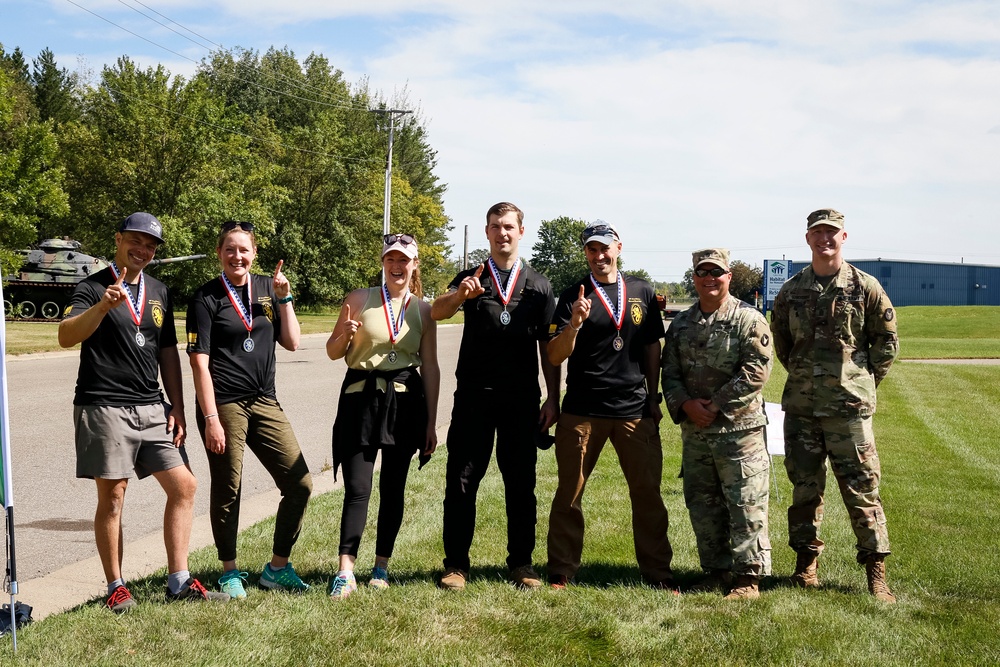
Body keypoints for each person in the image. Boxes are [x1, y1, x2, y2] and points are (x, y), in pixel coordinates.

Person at [58, 212, 229, 612]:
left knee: (184, 486)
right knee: (114, 496)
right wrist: (101, 307)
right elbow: (66, 336)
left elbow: (167, 351)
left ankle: (179, 580)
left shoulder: (159, 291)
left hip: (153, 407)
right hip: (103, 405)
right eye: (136, 240)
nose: (143, 250)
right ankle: (116, 586)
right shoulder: (91, 286)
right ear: (118, 239)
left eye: (150, 246)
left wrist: (179, 408)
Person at [771, 208, 899, 603]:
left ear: (844, 237)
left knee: (862, 490)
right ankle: (805, 566)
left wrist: (862, 382)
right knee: (805, 490)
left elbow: (887, 341)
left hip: (849, 412)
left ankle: (876, 573)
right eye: (817, 233)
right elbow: (783, 344)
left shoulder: (865, 286)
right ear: (807, 238)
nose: (824, 239)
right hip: (803, 410)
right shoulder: (792, 290)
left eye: (832, 232)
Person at [432, 202, 560, 591]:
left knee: (521, 484)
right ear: (486, 233)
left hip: (520, 399)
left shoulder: (539, 286)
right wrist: (459, 297)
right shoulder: (470, 277)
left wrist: (552, 398)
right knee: (461, 482)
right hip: (473, 396)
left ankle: (521, 563)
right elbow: (437, 312)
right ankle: (456, 564)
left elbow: (549, 348)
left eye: (509, 226)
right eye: (495, 227)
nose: (502, 233)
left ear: (521, 232)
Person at [546, 221, 675, 591]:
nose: (599, 256)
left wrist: (653, 397)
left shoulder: (642, 291)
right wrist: (573, 324)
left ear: (618, 248)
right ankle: (561, 570)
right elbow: (555, 355)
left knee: (648, 494)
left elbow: (652, 347)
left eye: (605, 248)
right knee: (570, 493)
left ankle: (658, 572)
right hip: (583, 410)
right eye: (592, 250)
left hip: (634, 410)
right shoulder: (573, 294)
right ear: (585, 253)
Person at [187, 220, 313, 599]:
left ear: (254, 252)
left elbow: (291, 342)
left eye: (244, 249)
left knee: (301, 483)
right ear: (219, 253)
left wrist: (285, 297)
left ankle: (277, 568)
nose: (237, 256)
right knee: (229, 486)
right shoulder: (205, 297)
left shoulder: (267, 288)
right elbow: (199, 362)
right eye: (230, 249)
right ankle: (229, 571)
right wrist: (210, 418)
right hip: (224, 403)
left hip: (265, 399)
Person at [325, 233, 439, 599]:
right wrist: (343, 334)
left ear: (414, 265)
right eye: (391, 259)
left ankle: (381, 567)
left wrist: (432, 422)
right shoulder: (359, 299)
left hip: (405, 403)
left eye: (404, 260)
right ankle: (345, 570)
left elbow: (432, 367)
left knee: (393, 489)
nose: (397, 266)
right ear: (383, 263)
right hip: (361, 399)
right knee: (358, 488)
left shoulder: (423, 310)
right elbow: (332, 352)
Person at [661, 248, 773, 600]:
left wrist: (716, 404)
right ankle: (716, 570)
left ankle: (747, 579)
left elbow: (757, 370)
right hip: (696, 432)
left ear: (729, 277)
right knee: (703, 503)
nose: (710, 278)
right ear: (694, 277)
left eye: (717, 272)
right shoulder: (681, 323)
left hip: (739, 433)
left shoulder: (748, 319)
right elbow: (670, 372)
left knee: (745, 503)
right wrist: (686, 405)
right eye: (702, 272)